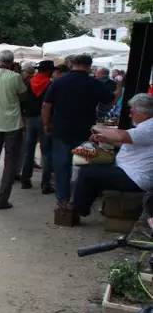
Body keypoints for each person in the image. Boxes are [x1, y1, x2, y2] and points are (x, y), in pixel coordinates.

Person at [43, 54, 122, 210]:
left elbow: (46, 104)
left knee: (61, 166)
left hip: (61, 129)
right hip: (84, 130)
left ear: (72, 64)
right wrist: (119, 87)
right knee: (85, 165)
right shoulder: (93, 83)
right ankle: (80, 199)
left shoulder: (58, 81)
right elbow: (111, 100)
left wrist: (46, 123)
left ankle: (62, 199)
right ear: (89, 66)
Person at [70, 94, 153, 219]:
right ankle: (80, 206)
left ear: (145, 114)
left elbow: (121, 135)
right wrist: (105, 139)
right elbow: (126, 142)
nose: (130, 116)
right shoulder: (146, 126)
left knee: (88, 172)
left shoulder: (150, 127)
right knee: (91, 169)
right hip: (129, 171)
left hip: (135, 177)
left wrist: (98, 128)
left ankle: (78, 209)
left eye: (133, 112)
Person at [0, 50, 27, 210]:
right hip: (12, 124)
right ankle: (2, 200)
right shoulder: (16, 77)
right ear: (12, 62)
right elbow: (23, 96)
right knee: (10, 162)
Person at [20, 60, 55, 193]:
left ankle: (25, 180)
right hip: (45, 119)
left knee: (29, 150)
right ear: (48, 71)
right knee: (46, 152)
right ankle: (45, 184)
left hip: (29, 119)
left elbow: (22, 102)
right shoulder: (50, 84)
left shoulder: (29, 83)